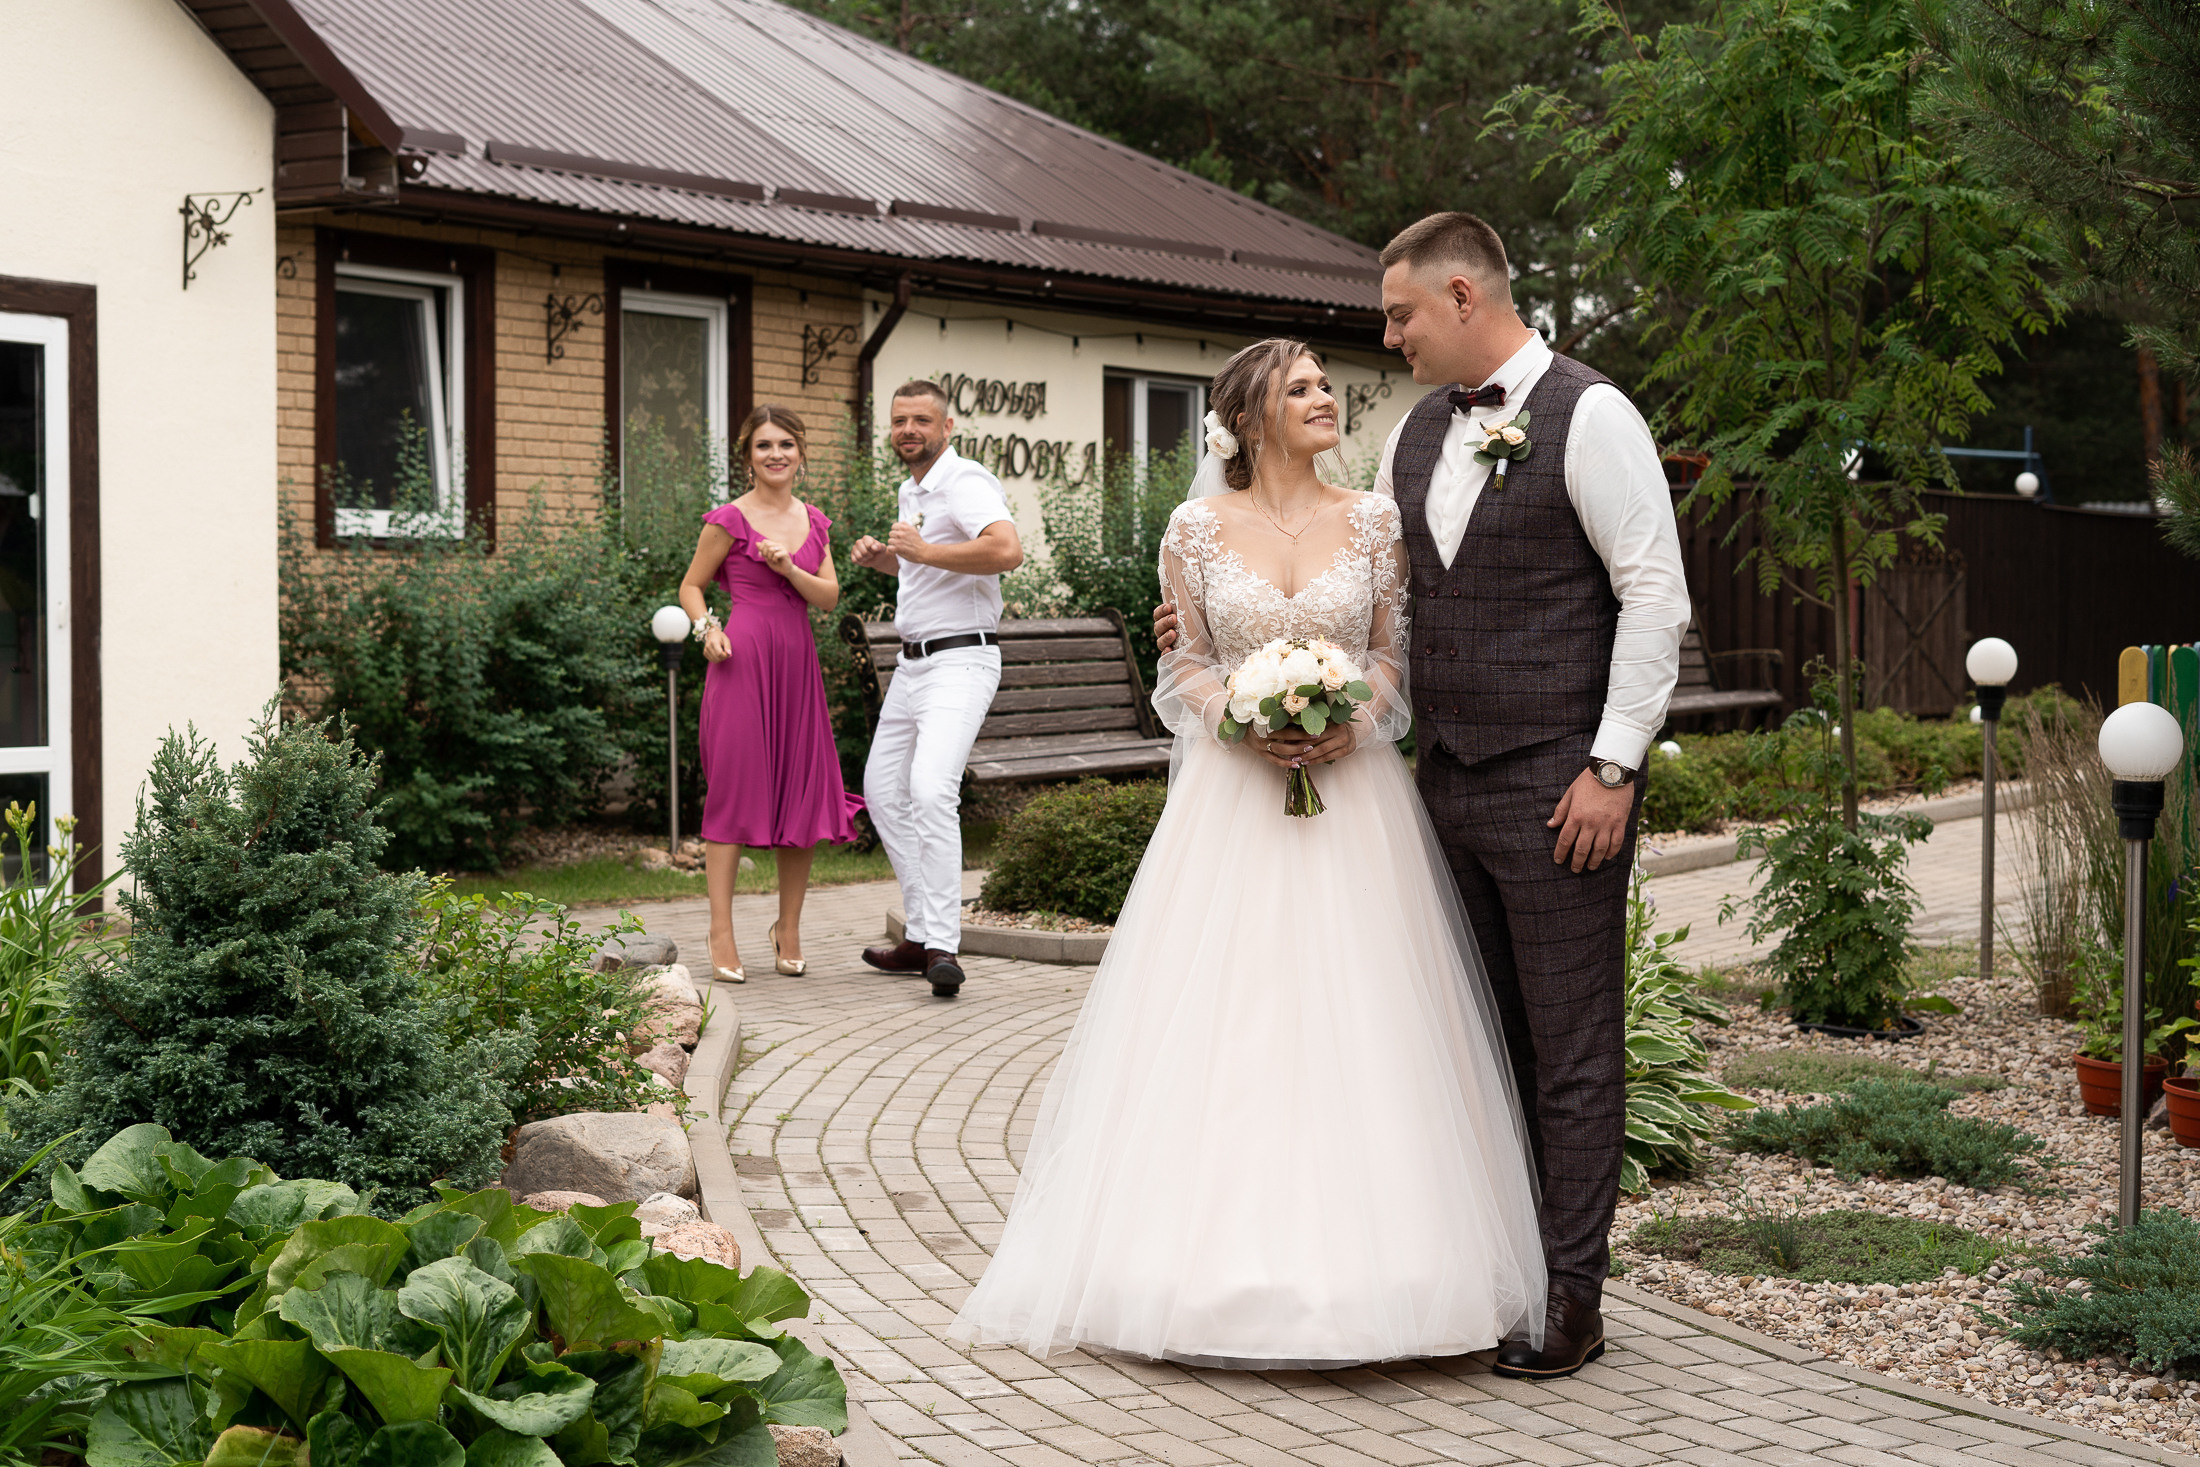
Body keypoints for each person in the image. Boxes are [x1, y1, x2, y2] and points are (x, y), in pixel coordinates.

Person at [1154, 213, 1691, 1379]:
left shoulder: (1593, 416)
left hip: (1559, 790)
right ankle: (1496, 1273)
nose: (1386, 336)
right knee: (1473, 1052)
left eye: (1398, 314)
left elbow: (1655, 600)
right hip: (1431, 790)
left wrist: (1612, 765)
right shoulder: (1407, 440)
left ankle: (1571, 1300)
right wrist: (1224, 654)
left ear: (1459, 294)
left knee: (1570, 1047)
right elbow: (1400, 610)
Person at [951, 340, 1548, 1368]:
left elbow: (1389, 657)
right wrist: (1237, 714)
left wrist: (1345, 725)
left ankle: (1400, 1276)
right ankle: (1202, 1274)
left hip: (1355, 803)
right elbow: (1181, 662)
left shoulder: (1371, 520)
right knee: (1231, 1022)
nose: (1325, 399)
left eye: (1326, 385)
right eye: (1303, 387)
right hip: (1230, 805)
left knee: (1369, 1023)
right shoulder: (1192, 528)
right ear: (1250, 411)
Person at [852, 381, 1024, 998]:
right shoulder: (914, 488)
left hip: (961, 660)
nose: (908, 431)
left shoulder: (965, 480)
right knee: (881, 790)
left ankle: (944, 946)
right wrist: (891, 561)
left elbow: (1006, 551)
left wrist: (923, 548)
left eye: (921, 420)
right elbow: (927, 560)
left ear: (947, 426)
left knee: (929, 790)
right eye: (899, 421)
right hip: (913, 666)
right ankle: (922, 933)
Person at [678, 405, 860, 985]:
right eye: (763, 446)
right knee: (733, 793)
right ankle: (720, 929)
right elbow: (691, 586)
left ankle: (789, 928)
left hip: (796, 667)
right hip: (742, 662)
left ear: (801, 454)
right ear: (748, 456)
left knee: (801, 798)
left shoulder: (816, 521)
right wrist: (708, 630)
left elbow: (828, 598)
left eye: (786, 444)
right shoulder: (728, 520)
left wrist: (787, 570)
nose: (775, 454)